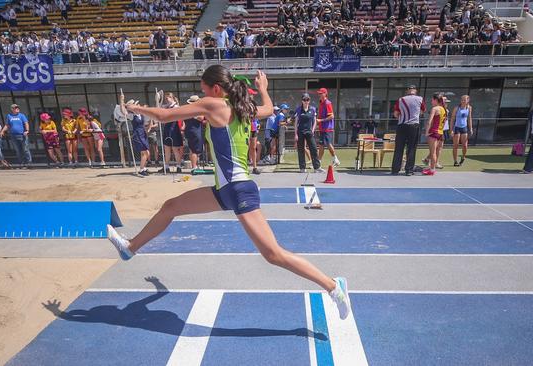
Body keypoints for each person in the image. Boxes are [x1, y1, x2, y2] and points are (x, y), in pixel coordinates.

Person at [108, 65, 352, 320]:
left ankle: (334, 287)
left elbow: (163, 115)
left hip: (238, 190)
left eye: (203, 90)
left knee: (273, 254)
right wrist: (264, 90)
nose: (201, 95)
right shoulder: (243, 109)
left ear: (215, 89)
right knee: (171, 206)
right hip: (224, 190)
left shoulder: (214, 104)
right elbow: (268, 109)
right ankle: (130, 247)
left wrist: (134, 109)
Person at [391, 85, 426, 175]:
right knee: (411, 148)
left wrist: (402, 116)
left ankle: (395, 169)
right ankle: (409, 170)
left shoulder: (401, 99)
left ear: (408, 91)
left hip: (402, 125)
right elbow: (422, 112)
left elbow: (395, 114)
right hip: (413, 126)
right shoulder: (420, 99)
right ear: (416, 91)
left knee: (399, 148)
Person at [295, 92, 322, 173]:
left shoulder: (313, 109)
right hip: (300, 132)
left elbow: (314, 121)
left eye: (307, 100)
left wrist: (313, 130)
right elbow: (296, 123)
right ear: (302, 101)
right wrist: (295, 134)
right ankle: (302, 168)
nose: (306, 101)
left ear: (309, 100)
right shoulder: (299, 109)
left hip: (309, 132)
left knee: (313, 148)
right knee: (301, 150)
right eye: (304, 100)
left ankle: (316, 168)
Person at [422, 93, 447, 176]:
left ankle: (432, 170)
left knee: (432, 152)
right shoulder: (444, 109)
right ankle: (432, 168)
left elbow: (429, 122)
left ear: (436, 100)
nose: (431, 101)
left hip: (434, 132)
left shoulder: (435, 109)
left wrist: (426, 132)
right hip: (440, 132)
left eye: (432, 99)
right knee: (434, 152)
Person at [1, 103, 32, 168]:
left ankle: (29, 163)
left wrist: (27, 130)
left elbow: (26, 123)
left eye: (18, 108)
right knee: (18, 150)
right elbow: (7, 125)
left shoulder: (21, 115)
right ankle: (21, 163)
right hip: (14, 136)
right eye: (15, 108)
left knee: (25, 149)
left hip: (22, 135)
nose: (17, 109)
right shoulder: (9, 116)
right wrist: (3, 131)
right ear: (12, 109)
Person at [160, 93, 184, 173]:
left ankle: (178, 166)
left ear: (173, 98)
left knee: (175, 149)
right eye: (166, 98)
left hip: (173, 128)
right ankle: (166, 166)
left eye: (169, 97)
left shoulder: (176, 107)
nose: (167, 99)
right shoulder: (166, 106)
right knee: (166, 148)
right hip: (167, 127)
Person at [316, 88, 340, 167]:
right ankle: (318, 162)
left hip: (327, 128)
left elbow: (332, 116)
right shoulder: (321, 103)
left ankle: (335, 159)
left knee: (328, 144)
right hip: (322, 128)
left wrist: (321, 120)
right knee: (321, 145)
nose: (319, 95)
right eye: (319, 93)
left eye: (321, 93)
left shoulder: (327, 103)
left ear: (325, 94)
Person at [128, 103, 151, 176]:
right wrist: (122, 101)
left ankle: (143, 167)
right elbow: (123, 111)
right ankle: (141, 169)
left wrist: (148, 129)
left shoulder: (141, 115)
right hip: (137, 134)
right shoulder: (132, 116)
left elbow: (149, 120)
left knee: (147, 153)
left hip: (143, 134)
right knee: (144, 153)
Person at [450, 95, 473, 166]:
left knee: (465, 145)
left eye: (464, 100)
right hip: (457, 128)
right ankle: (455, 161)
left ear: (468, 100)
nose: (463, 101)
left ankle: (463, 157)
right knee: (455, 145)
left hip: (464, 128)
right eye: (462, 99)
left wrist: (471, 128)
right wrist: (451, 130)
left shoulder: (469, 108)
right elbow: (452, 119)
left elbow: (469, 118)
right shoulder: (456, 108)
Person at [184, 95, 204, 171]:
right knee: (194, 150)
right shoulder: (196, 110)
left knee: (192, 149)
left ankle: (195, 166)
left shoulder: (187, 110)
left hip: (191, 130)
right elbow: (201, 118)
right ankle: (194, 166)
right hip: (195, 131)